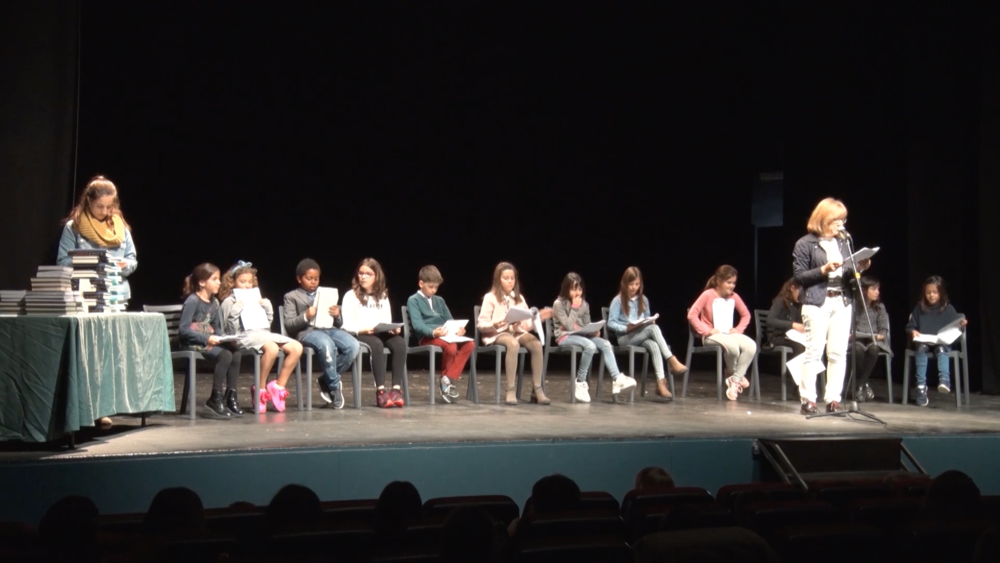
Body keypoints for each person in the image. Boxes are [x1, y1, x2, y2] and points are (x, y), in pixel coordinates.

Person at [56, 175, 137, 427]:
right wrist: (89, 262)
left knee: (111, 355)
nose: (104, 211)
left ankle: (106, 405)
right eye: (100, 206)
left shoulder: (120, 227)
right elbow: (62, 261)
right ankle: (88, 408)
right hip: (86, 297)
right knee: (90, 355)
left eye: (109, 206)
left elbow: (132, 259)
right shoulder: (75, 226)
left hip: (116, 297)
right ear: (88, 201)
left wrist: (124, 265)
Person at [792, 198, 871, 415]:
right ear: (824, 218)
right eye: (836, 219)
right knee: (814, 351)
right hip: (818, 301)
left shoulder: (843, 243)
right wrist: (824, 269)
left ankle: (833, 399)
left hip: (842, 301)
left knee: (837, 353)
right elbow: (799, 277)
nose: (841, 224)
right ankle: (808, 399)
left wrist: (859, 268)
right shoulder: (805, 243)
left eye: (843, 220)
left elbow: (848, 274)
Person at [219, 261, 303, 413]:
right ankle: (260, 389)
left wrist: (267, 309)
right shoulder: (229, 302)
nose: (247, 285)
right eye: (242, 281)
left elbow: (266, 325)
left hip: (262, 333)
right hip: (243, 336)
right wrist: (236, 310)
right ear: (233, 282)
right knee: (271, 347)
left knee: (297, 347)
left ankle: (278, 386)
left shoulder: (256, 298)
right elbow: (230, 331)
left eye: (250, 282)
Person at [282, 258, 360, 410]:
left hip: (328, 328)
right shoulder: (291, 296)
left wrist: (337, 314)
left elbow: (339, 323)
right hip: (307, 332)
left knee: (353, 345)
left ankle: (327, 379)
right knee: (326, 344)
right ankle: (334, 387)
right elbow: (289, 325)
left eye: (316, 278)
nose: (313, 282)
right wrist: (306, 316)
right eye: (309, 278)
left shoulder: (325, 294)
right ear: (299, 279)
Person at [477, 262, 553, 405]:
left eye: (512, 278)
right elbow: (481, 324)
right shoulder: (490, 297)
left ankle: (537, 389)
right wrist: (494, 324)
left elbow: (525, 325)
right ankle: (510, 389)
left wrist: (538, 318)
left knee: (536, 344)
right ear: (498, 279)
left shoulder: (519, 298)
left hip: (515, 332)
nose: (510, 281)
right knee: (513, 344)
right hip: (497, 333)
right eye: (506, 278)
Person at [552, 272, 635, 402]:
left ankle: (617, 379)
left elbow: (586, 324)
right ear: (566, 289)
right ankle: (580, 382)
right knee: (590, 346)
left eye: (579, 289)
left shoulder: (585, 305)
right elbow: (568, 326)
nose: (577, 293)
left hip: (582, 336)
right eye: (573, 289)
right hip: (565, 336)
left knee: (606, 344)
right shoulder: (558, 304)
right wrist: (574, 307)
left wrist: (593, 331)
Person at [608, 267, 687, 399]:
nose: (634, 287)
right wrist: (625, 328)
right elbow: (610, 323)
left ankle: (661, 383)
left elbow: (646, 318)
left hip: (640, 335)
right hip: (625, 337)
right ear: (625, 284)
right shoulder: (618, 300)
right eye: (631, 284)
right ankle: (671, 360)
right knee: (653, 329)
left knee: (653, 343)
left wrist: (649, 321)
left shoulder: (643, 300)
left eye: (637, 284)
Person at [178, 263, 244, 418]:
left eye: (218, 279)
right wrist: (207, 338)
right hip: (192, 342)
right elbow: (183, 330)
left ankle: (230, 395)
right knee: (225, 355)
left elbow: (216, 327)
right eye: (214, 279)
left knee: (235, 352)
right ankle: (215, 398)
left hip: (207, 340)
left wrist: (225, 339)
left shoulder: (214, 302)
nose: (219, 282)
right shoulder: (192, 301)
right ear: (202, 282)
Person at [341, 258, 408, 408]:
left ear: (376, 276)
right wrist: (363, 329)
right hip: (359, 333)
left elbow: (386, 319)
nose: (363, 277)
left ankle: (396, 390)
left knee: (399, 342)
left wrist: (391, 328)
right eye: (361, 273)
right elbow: (346, 324)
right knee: (376, 344)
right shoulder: (350, 296)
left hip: (378, 331)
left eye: (368, 274)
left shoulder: (382, 295)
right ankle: (381, 392)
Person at [687, 265, 757, 401]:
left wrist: (738, 329)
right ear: (719, 281)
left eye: (734, 283)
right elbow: (692, 315)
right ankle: (735, 375)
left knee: (751, 346)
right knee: (733, 348)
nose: (732, 286)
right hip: (711, 336)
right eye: (728, 282)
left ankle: (735, 380)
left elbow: (746, 315)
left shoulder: (734, 297)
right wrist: (706, 330)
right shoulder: (708, 295)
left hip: (728, 334)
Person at [406, 265, 473, 403]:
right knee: (451, 346)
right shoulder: (413, 300)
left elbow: (450, 320)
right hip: (427, 337)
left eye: (436, 287)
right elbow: (418, 325)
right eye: (431, 287)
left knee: (470, 344)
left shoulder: (440, 300)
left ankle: (447, 378)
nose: (434, 290)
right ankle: (446, 382)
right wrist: (433, 332)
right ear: (421, 283)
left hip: (445, 335)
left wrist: (458, 329)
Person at [905, 276, 969, 407]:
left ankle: (944, 380)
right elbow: (910, 326)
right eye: (928, 292)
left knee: (941, 349)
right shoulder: (919, 309)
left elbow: (956, 326)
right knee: (921, 349)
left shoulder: (948, 309)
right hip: (924, 341)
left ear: (941, 293)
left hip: (941, 342)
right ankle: (921, 386)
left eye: (935, 292)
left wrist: (961, 324)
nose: (931, 295)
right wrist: (913, 331)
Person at [850, 275, 891, 402]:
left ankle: (860, 385)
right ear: (864, 290)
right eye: (873, 289)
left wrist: (881, 335)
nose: (877, 292)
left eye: (878, 289)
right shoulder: (854, 306)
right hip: (857, 339)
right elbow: (848, 326)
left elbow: (883, 328)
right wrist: (850, 334)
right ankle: (864, 384)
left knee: (874, 349)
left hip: (874, 340)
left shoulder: (880, 307)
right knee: (857, 350)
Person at [765, 278, 807, 389]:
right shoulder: (781, 301)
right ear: (792, 288)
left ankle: (809, 383)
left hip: (791, 337)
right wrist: (792, 325)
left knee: (811, 347)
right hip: (777, 337)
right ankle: (798, 386)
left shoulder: (798, 305)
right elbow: (770, 320)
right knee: (799, 347)